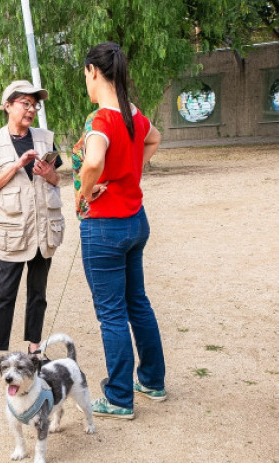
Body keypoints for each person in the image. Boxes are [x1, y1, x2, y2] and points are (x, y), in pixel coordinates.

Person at [71, 42, 165, 419]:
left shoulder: (101, 120)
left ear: (94, 71)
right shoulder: (135, 114)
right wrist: (130, 171)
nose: (86, 82)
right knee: (137, 303)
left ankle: (119, 397)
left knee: (111, 313)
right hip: (135, 220)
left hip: (105, 227)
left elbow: (92, 160)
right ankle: (153, 381)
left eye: (85, 75)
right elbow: (154, 138)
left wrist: (83, 191)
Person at [0, 80, 65, 385]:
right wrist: (16, 166)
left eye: (34, 104)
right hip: (13, 231)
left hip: (43, 231)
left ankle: (35, 351)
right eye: (25, 103)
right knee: (4, 294)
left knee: (38, 293)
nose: (31, 109)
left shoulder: (45, 138)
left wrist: (47, 172)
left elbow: (57, 180)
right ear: (8, 105)